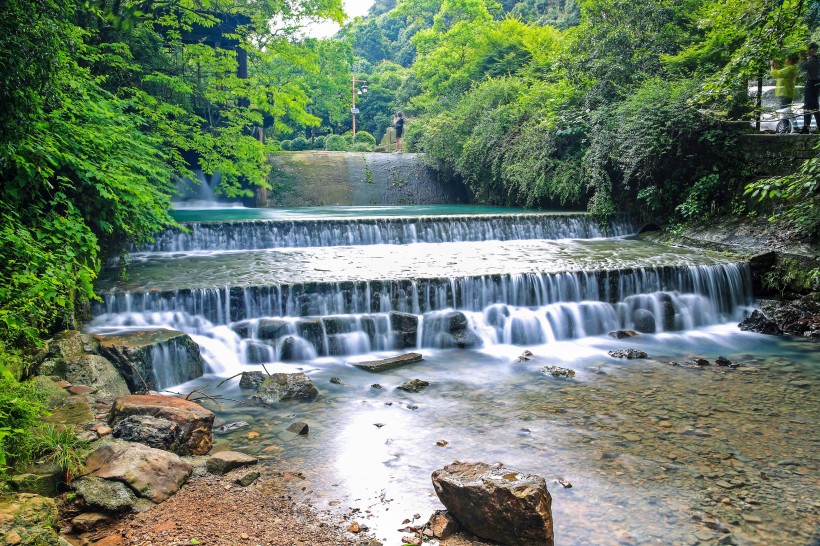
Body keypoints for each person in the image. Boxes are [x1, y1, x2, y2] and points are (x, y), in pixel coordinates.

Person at [798, 42, 820, 133]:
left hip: (812, 85)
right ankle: (816, 127)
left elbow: (802, 67)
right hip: (815, 85)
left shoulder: (813, 60)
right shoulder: (815, 60)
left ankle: (806, 127)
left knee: (807, 107)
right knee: (814, 107)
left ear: (811, 50)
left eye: (808, 49)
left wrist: (801, 58)